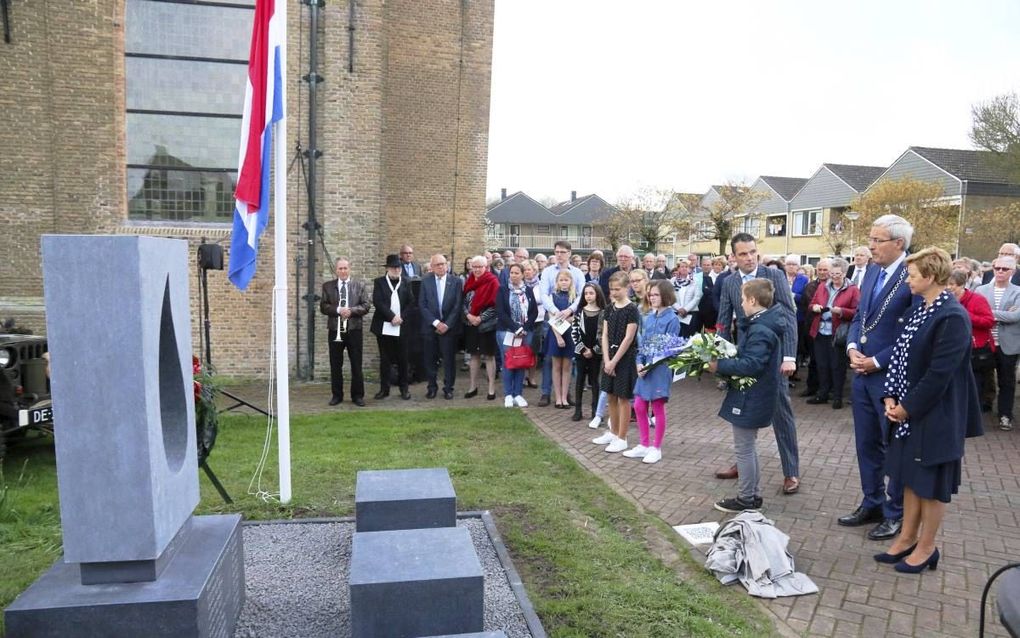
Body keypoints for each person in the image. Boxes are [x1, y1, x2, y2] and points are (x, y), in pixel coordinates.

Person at [875, 247, 983, 573]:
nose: (907, 280)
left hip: (936, 416)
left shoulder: (951, 316)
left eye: (911, 275)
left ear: (931, 276)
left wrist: (907, 408)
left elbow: (940, 374)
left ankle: (927, 546)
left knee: (931, 485)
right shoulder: (918, 309)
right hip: (909, 413)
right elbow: (901, 359)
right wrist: (890, 397)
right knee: (909, 478)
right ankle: (907, 537)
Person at [841, 214, 918, 541]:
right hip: (862, 373)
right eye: (870, 239)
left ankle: (895, 511)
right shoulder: (871, 271)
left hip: (891, 377)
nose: (870, 245)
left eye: (877, 240)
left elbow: (913, 332)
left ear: (898, 243)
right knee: (866, 442)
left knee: (893, 445)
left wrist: (877, 360)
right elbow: (861, 316)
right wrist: (853, 346)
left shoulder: (913, 274)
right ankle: (871, 500)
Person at [715, 233, 801, 495]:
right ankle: (744, 463)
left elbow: (788, 316)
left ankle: (791, 471)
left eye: (753, 252)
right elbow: (722, 321)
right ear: (734, 257)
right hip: (745, 358)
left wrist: (789, 356)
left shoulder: (773, 276)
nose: (749, 257)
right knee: (743, 410)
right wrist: (721, 356)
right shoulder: (730, 282)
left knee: (780, 412)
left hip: (774, 359)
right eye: (743, 254)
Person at [710, 278, 786, 512]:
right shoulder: (763, 324)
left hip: (751, 395)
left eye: (743, 299)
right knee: (748, 447)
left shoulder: (761, 329)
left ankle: (746, 499)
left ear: (753, 300)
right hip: (754, 394)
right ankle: (752, 495)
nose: (741, 304)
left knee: (743, 448)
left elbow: (752, 365)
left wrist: (719, 366)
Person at [625, 280, 681, 464]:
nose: (652, 297)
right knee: (640, 406)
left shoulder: (672, 319)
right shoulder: (648, 317)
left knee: (657, 408)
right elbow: (643, 344)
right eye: (650, 294)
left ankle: (656, 448)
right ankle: (643, 444)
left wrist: (650, 365)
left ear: (665, 295)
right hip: (645, 369)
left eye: (656, 294)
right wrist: (638, 363)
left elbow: (670, 349)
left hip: (659, 370)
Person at [591, 271, 640, 454]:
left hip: (624, 359)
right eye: (611, 289)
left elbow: (628, 338)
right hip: (609, 357)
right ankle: (612, 432)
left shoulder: (632, 309)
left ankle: (622, 437)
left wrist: (614, 361)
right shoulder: (609, 308)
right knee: (610, 395)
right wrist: (606, 359)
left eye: (617, 289)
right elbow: (604, 334)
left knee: (622, 398)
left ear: (627, 288)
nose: (613, 292)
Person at [537, 241, 585, 406]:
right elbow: (544, 294)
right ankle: (546, 393)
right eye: (557, 252)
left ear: (569, 253)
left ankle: (566, 395)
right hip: (553, 317)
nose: (559, 255)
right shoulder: (547, 272)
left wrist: (570, 310)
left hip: (570, 318)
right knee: (551, 359)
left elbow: (581, 295)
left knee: (568, 361)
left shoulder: (577, 273)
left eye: (563, 252)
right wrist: (555, 312)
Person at [807, 258, 859, 409]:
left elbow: (857, 311)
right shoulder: (823, 286)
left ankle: (837, 396)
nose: (834, 276)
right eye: (832, 273)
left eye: (838, 274)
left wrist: (841, 311)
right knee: (822, 364)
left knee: (837, 365)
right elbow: (811, 305)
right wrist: (815, 307)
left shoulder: (853, 289)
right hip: (820, 330)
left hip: (838, 333)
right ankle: (822, 394)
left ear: (844, 273)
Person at [976, 256, 1020, 431]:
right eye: (997, 268)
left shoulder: (1018, 291)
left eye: (1005, 269)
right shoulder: (980, 290)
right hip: (985, 342)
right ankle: (977, 413)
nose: (1000, 271)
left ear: (1013, 272)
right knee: (980, 379)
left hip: (1007, 343)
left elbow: (1016, 316)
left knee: (1007, 380)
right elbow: (975, 313)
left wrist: (989, 313)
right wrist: (1002, 313)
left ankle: (1005, 414)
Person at [320, 258, 370, 407]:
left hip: (354, 329)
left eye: (345, 268)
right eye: (340, 268)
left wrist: (352, 311)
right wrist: (338, 310)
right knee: (335, 365)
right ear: (336, 270)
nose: (343, 271)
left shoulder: (359, 285)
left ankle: (357, 396)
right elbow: (323, 306)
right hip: (335, 329)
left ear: (350, 269)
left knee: (356, 364)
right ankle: (337, 395)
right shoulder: (327, 286)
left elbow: (366, 305)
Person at [947, 269, 995, 413]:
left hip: (976, 350)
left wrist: (964, 314)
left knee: (976, 384)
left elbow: (989, 321)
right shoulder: (945, 300)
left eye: (953, 284)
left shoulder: (977, 299)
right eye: (946, 284)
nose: (949, 288)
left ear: (962, 285)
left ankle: (974, 414)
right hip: (954, 348)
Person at [371, 254, 416, 400]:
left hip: (402, 326)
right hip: (384, 326)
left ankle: (404, 389)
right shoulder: (379, 282)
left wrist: (401, 317)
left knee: (403, 359)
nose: (396, 270)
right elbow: (378, 302)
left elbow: (411, 302)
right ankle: (384, 389)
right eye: (393, 268)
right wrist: (392, 317)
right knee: (385, 360)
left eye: (398, 267)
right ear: (388, 269)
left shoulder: (406, 282)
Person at [419, 253, 463, 400]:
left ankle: (448, 388)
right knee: (429, 359)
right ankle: (431, 387)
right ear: (431, 267)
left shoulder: (456, 282)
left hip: (449, 328)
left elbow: (457, 306)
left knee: (449, 359)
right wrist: (436, 323)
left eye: (443, 264)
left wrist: (447, 324)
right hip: (430, 327)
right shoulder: (425, 281)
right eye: (437, 265)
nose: (441, 267)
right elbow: (422, 305)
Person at [495, 262, 538, 408]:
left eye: (516, 273)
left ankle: (518, 394)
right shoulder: (502, 290)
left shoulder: (529, 290)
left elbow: (534, 312)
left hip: (526, 332)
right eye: (511, 273)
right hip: (507, 331)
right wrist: (515, 328)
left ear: (522, 275)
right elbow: (500, 312)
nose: (513, 275)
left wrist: (524, 328)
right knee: (508, 362)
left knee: (521, 362)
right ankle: (508, 394)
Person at [462, 255, 500, 400]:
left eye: (480, 267)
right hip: (471, 324)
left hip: (487, 326)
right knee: (474, 356)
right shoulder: (469, 281)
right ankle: (473, 386)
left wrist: (480, 318)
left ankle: (491, 388)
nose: (477, 269)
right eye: (474, 266)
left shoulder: (493, 281)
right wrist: (469, 315)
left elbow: (496, 305)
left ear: (486, 267)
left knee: (489, 357)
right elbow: (463, 301)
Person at [571, 282, 605, 422]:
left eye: (591, 293)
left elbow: (603, 334)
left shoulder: (603, 312)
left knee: (595, 381)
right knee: (579, 380)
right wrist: (583, 349)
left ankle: (595, 411)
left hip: (596, 353)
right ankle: (578, 410)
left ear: (597, 294)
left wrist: (595, 349)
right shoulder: (579, 312)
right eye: (586, 293)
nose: (588, 296)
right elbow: (575, 332)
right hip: (581, 353)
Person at [798, 259, 830, 398]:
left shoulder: (835, 286)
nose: (822, 272)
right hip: (812, 327)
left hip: (829, 328)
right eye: (820, 269)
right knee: (814, 359)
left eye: (825, 270)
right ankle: (812, 387)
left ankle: (827, 389)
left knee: (828, 360)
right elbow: (811, 304)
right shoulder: (810, 286)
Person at [546, 270, 577, 409]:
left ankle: (565, 397)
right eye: (561, 280)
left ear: (571, 281)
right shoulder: (552, 297)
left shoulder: (575, 298)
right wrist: (558, 336)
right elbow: (551, 318)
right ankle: (557, 398)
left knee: (567, 367)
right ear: (557, 282)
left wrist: (564, 318)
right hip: (555, 334)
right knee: (556, 366)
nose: (564, 282)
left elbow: (575, 317)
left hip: (570, 334)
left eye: (566, 280)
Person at [521, 259, 544, 389]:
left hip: (537, 321)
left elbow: (544, 300)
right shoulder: (520, 286)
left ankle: (532, 377)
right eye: (524, 270)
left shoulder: (541, 285)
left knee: (534, 350)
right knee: (523, 349)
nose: (527, 272)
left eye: (529, 269)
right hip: (523, 322)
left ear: (535, 271)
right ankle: (523, 376)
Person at [671, 259, 703, 338]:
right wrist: (679, 308)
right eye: (682, 267)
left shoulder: (695, 280)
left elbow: (697, 297)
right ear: (678, 268)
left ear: (689, 268)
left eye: (686, 267)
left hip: (691, 313)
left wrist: (685, 309)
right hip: (676, 313)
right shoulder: (672, 281)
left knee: (689, 336)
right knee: (676, 336)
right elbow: (669, 297)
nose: (684, 268)